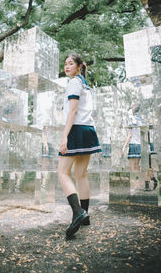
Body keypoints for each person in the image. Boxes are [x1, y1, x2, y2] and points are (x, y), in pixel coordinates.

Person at [57, 53, 101, 240]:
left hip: (76, 130)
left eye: (70, 63)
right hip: (88, 130)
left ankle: (78, 213)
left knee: (62, 172)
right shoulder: (84, 84)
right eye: (65, 64)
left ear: (78, 66)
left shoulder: (74, 82)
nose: (67, 66)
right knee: (81, 174)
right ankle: (85, 215)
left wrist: (64, 136)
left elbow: (73, 110)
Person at [122, 104, 146, 172]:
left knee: (132, 169)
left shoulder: (130, 119)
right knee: (137, 167)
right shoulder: (139, 119)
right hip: (138, 145)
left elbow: (130, 135)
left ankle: (134, 182)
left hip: (132, 145)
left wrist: (124, 147)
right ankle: (138, 182)